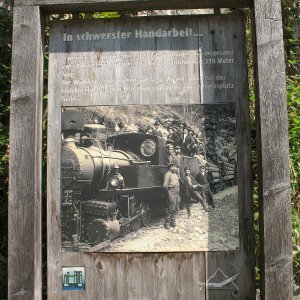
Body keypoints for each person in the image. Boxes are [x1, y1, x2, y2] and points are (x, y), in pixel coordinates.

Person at [163, 164, 180, 229]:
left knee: (175, 208)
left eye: (175, 167)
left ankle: (173, 223)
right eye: (173, 167)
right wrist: (169, 192)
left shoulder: (175, 174)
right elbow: (165, 185)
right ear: (170, 168)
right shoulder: (168, 174)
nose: (175, 169)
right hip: (171, 191)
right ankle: (166, 224)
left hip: (176, 191)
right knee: (171, 208)